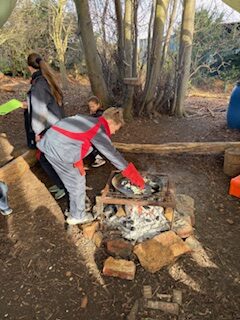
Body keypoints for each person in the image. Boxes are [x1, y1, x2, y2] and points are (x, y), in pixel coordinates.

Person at [37, 107, 145, 225]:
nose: (113, 133)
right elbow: (113, 155)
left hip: (49, 143)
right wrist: (135, 177)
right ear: (110, 122)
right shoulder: (98, 129)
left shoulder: (89, 120)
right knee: (77, 181)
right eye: (116, 129)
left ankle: (75, 205)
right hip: (58, 149)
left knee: (75, 179)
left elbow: (73, 136)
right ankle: (77, 216)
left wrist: (77, 159)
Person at [24, 53, 66, 200]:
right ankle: (59, 182)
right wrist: (28, 103)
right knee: (47, 157)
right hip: (56, 124)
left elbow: (39, 111)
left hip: (49, 127)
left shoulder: (39, 83)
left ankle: (63, 186)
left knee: (45, 157)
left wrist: (37, 132)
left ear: (29, 67)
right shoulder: (47, 79)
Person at [87, 96, 106, 168]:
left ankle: (98, 158)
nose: (91, 108)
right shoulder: (96, 113)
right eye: (90, 107)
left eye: (92, 106)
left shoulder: (99, 114)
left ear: (98, 105)